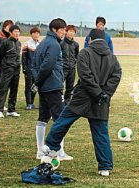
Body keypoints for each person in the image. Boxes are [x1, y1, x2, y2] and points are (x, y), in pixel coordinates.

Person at [43, 29, 122, 177]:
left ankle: (51, 146)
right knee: (101, 133)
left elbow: (85, 76)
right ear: (104, 40)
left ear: (90, 39)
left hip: (83, 97)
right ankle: (105, 167)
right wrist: (104, 94)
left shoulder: (85, 53)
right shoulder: (113, 57)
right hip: (101, 100)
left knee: (64, 120)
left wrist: (98, 93)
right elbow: (116, 76)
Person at [32, 18, 72, 161]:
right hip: (53, 86)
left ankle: (39, 151)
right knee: (60, 119)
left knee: (43, 118)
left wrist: (37, 82)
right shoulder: (54, 45)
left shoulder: (42, 43)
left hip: (44, 87)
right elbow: (48, 66)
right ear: (55, 30)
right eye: (62, 29)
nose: (64, 32)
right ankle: (59, 152)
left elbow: (34, 65)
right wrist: (38, 81)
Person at [0, 25, 22, 118]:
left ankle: (11, 110)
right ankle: (0, 110)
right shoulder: (5, 42)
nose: (17, 33)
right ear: (10, 32)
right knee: (3, 89)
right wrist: (3, 68)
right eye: (15, 32)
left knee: (14, 90)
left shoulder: (19, 44)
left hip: (17, 69)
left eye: (18, 32)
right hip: (7, 70)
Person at [22, 27, 40, 110]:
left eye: (37, 33)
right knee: (28, 86)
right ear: (31, 34)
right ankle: (28, 103)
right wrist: (24, 68)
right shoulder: (27, 44)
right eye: (34, 33)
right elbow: (24, 58)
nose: (36, 35)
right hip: (29, 68)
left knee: (35, 86)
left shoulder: (40, 44)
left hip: (37, 69)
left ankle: (32, 102)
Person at [60, 25, 79, 104]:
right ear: (66, 32)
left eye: (73, 32)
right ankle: (60, 101)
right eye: (70, 31)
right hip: (62, 68)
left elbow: (77, 56)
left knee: (70, 87)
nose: (71, 33)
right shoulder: (61, 43)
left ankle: (67, 102)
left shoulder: (76, 44)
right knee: (60, 86)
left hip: (72, 69)